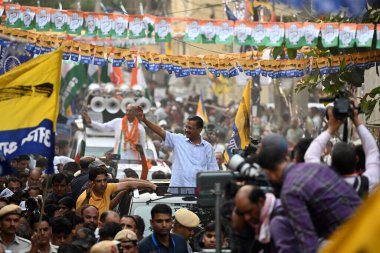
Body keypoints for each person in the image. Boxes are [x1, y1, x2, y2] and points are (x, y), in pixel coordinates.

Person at [257, 134, 361, 253]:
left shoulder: (289, 191)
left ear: (269, 172)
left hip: (350, 243)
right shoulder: (316, 167)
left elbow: (308, 242)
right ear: (286, 157)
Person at [305, 105, 380, 196]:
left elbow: (310, 155)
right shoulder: (369, 183)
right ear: (356, 159)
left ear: (331, 162)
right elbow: (372, 151)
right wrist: (356, 120)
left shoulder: (323, 183)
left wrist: (331, 129)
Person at [138, 108, 218, 187]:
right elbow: (161, 131)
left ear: (199, 130)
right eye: (186, 127)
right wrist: (144, 120)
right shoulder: (178, 140)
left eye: (190, 128)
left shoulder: (207, 148)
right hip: (177, 191)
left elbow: (213, 172)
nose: (186, 130)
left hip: (198, 192)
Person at [232, 185, 298, 253]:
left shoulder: (277, 221)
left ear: (261, 201)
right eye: (244, 214)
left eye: (249, 211)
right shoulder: (268, 213)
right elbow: (236, 226)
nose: (247, 218)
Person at [76, 165, 156, 217]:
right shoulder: (84, 198)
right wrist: (87, 198)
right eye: (99, 181)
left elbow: (129, 184)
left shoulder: (107, 188)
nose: (103, 184)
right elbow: (78, 216)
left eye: (105, 180)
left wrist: (151, 185)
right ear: (91, 182)